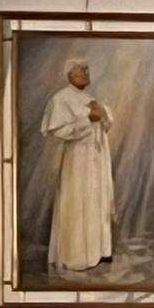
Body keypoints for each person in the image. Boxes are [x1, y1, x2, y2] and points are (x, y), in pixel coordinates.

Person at [42, 58, 115, 272]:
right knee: (77, 201)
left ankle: (98, 251)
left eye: (87, 69)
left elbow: (106, 123)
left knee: (95, 200)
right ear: (70, 74)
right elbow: (57, 131)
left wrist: (102, 114)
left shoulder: (90, 99)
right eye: (81, 69)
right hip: (77, 160)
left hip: (97, 159)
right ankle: (75, 256)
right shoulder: (60, 99)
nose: (86, 72)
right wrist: (87, 119)